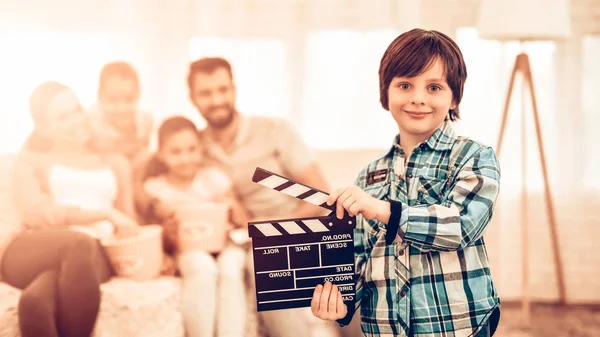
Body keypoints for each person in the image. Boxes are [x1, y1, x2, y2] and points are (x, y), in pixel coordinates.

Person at [310, 29, 502, 337]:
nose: (418, 98)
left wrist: (384, 210)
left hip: (457, 325)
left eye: (434, 87)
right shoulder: (368, 176)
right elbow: (359, 257)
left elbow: (461, 226)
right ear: (385, 93)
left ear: (454, 97)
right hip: (385, 328)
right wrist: (341, 304)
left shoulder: (474, 157)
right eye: (404, 85)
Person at [0, 81, 140, 337]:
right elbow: (38, 214)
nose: (77, 120)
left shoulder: (115, 161)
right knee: (79, 243)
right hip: (37, 248)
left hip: (94, 254)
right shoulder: (31, 161)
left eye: (76, 109)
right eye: (63, 117)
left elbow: (128, 220)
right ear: (43, 128)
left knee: (35, 302)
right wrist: (103, 214)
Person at [142, 116, 250, 337]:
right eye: (176, 152)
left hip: (225, 245)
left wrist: (230, 206)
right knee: (202, 266)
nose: (185, 158)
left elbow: (244, 221)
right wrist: (166, 221)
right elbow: (159, 238)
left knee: (231, 268)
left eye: (191, 149)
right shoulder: (156, 189)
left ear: (201, 149)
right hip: (188, 249)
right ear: (161, 154)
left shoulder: (214, 178)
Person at [88, 61, 154, 165]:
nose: (122, 108)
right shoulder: (90, 124)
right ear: (100, 96)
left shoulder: (146, 122)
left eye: (129, 99)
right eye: (113, 100)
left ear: (139, 94)